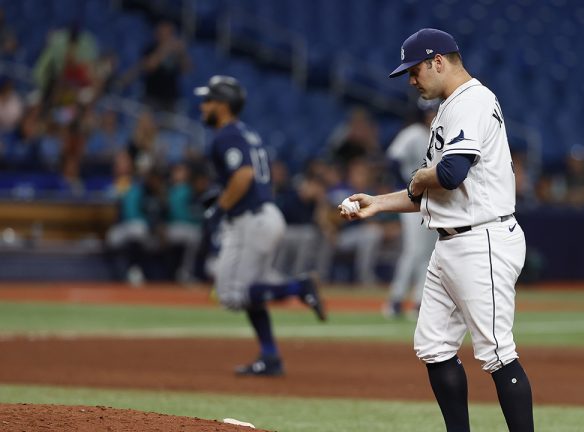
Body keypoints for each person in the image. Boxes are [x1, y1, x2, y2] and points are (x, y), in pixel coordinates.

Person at [339, 29, 533, 431]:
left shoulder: (472, 101)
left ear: (438, 61)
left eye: (414, 70)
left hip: (483, 241)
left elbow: (448, 173)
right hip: (451, 241)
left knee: (497, 353)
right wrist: (377, 203)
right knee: (434, 347)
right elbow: (430, 190)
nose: (411, 80)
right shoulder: (451, 107)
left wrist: (418, 178)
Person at [194, 75, 326, 377]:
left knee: (230, 295)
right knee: (252, 289)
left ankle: (298, 287)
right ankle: (270, 355)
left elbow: (243, 176)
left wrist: (219, 207)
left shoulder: (226, 135)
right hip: (263, 215)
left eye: (209, 100)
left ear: (223, 105)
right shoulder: (245, 133)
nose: (203, 106)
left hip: (249, 221)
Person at [383, 104, 439, 318]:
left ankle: (418, 302)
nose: (432, 115)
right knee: (414, 251)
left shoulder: (437, 136)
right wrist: (407, 187)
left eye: (435, 111)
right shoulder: (413, 133)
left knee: (429, 253)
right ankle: (396, 300)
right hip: (413, 201)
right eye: (429, 112)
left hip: (433, 200)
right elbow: (392, 160)